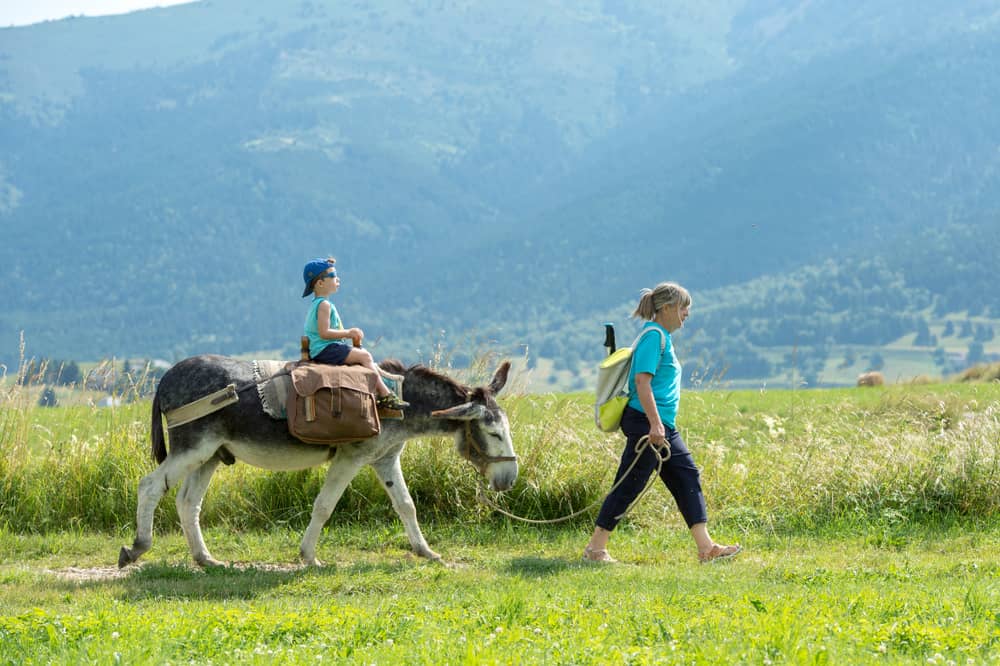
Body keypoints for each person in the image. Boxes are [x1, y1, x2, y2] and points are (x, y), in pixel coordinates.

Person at [582, 282, 741, 564]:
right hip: (647, 422)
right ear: (666, 308)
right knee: (630, 482)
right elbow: (643, 382)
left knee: (686, 475)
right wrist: (655, 425)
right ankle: (596, 549)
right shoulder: (653, 337)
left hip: (661, 423)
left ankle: (707, 548)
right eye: (683, 307)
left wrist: (660, 424)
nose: (686, 314)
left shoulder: (661, 336)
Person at [302, 257, 408, 410]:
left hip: (324, 348)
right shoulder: (324, 305)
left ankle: (379, 387)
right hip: (325, 349)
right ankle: (385, 394)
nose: (337, 279)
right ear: (320, 283)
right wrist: (349, 333)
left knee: (363, 355)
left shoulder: (318, 304)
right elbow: (324, 333)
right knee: (365, 356)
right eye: (333, 275)